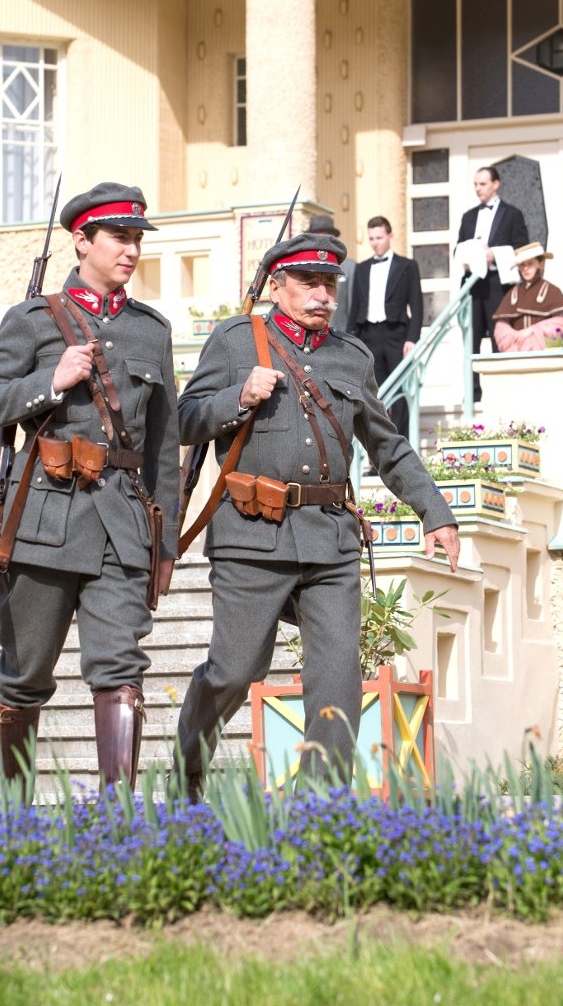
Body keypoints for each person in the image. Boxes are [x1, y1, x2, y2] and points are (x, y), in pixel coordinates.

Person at [172, 233, 460, 796]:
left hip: (329, 541)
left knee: (337, 682)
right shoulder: (235, 341)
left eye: (330, 283)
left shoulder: (351, 355)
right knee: (235, 671)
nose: (323, 294)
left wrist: (436, 512)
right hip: (251, 537)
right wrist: (238, 398)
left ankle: (317, 811)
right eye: (309, 283)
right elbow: (184, 421)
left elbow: (388, 445)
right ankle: (189, 762)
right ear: (276, 287)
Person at [0, 182, 179, 797]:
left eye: (137, 238)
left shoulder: (150, 330)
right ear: (81, 240)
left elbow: (163, 447)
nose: (131, 250)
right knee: (26, 674)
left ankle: (117, 819)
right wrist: (50, 381)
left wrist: (161, 544)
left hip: (121, 525)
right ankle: (15, 815)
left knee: (120, 670)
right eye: (120, 237)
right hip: (43, 525)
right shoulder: (33, 319)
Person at [346, 215, 423, 440]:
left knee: (399, 391)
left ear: (390, 236)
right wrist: (352, 341)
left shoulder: (408, 266)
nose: (375, 242)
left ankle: (402, 445)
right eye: (371, 238)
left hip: (396, 334)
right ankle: (378, 448)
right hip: (369, 334)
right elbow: (355, 308)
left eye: (379, 237)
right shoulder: (361, 268)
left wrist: (412, 338)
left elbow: (417, 306)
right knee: (373, 394)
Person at [456, 166, 528, 399]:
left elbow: (521, 249)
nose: (478, 188)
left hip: (499, 286)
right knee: (472, 341)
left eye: (482, 184)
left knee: (501, 338)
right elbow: (459, 248)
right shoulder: (468, 216)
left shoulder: (513, 214)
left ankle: (503, 393)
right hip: (473, 287)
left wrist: (493, 255)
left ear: (496, 184)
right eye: (475, 184)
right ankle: (473, 394)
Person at [493, 242, 563, 352]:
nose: (525, 268)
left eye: (530, 264)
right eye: (522, 265)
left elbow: (560, 323)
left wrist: (532, 331)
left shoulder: (552, 291)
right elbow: (500, 328)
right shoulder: (512, 294)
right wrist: (514, 337)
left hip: (543, 355)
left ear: (541, 264)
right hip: (516, 354)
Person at [309, 213, 356, 332]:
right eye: (317, 237)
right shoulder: (304, 268)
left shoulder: (349, 266)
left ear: (333, 239)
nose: (321, 242)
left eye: (325, 237)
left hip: (341, 335)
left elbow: (354, 304)